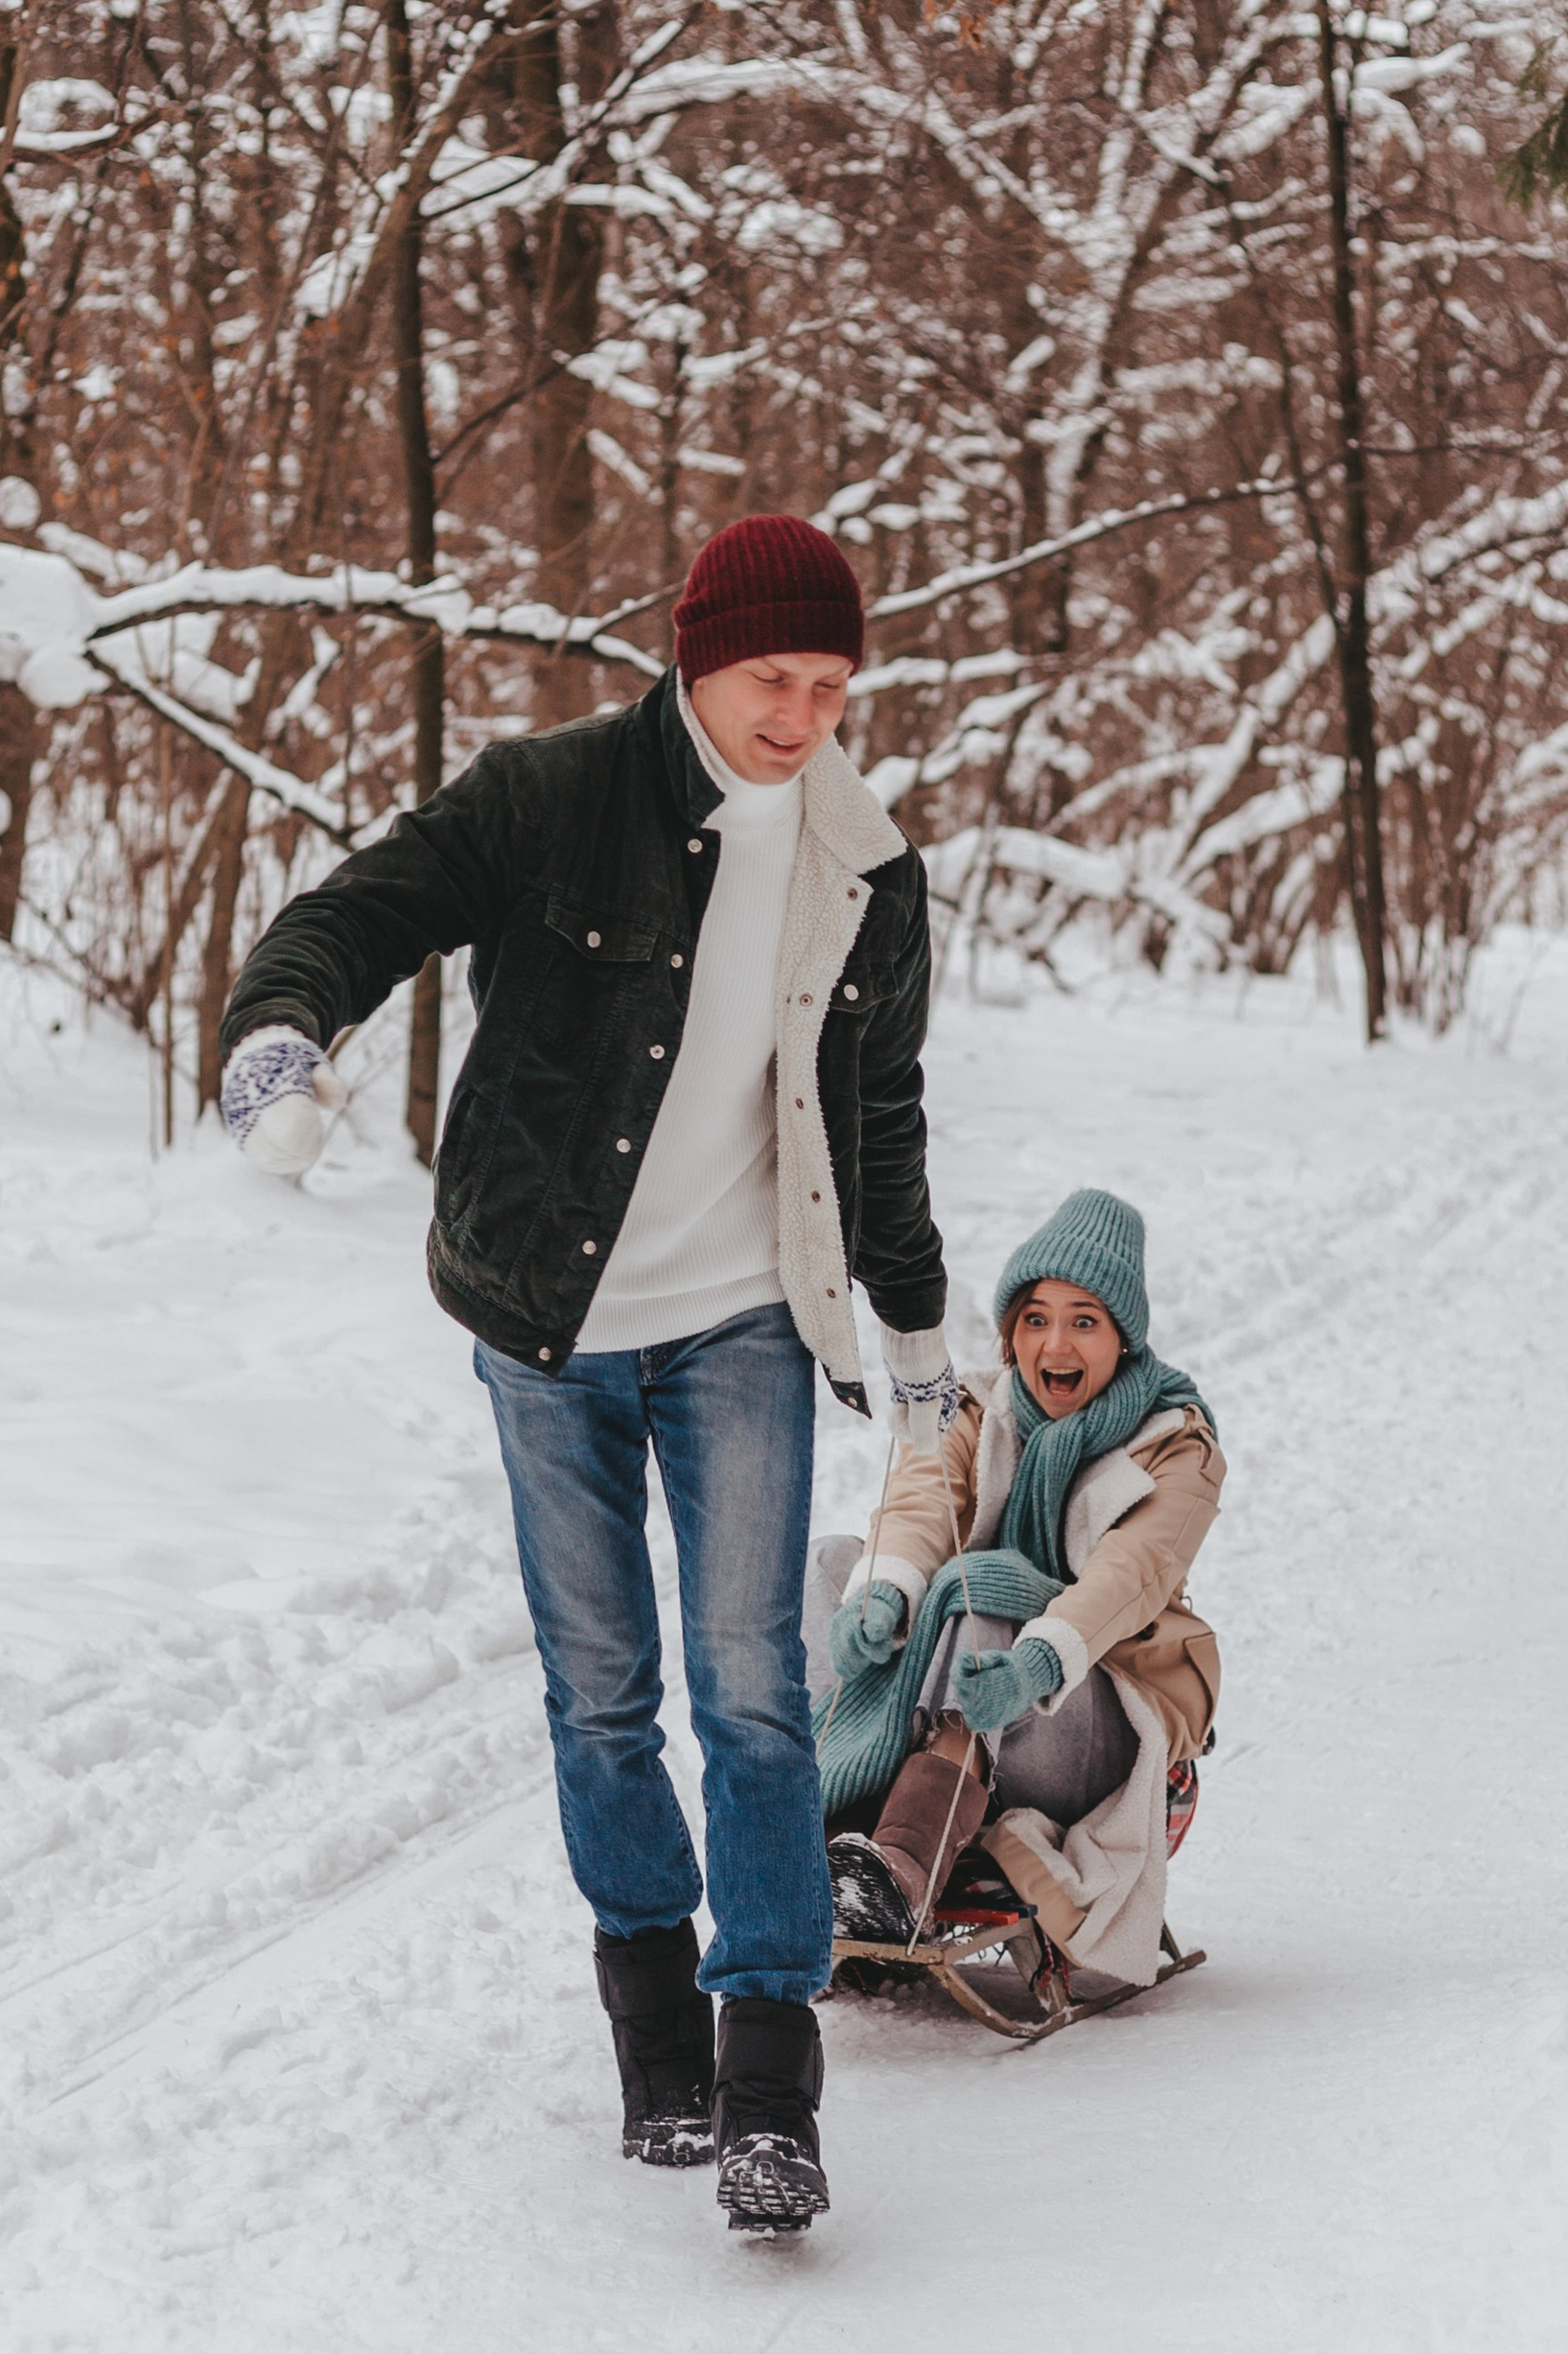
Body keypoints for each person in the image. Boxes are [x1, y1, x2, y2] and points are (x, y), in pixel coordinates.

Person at [216, 514, 958, 2238]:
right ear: (696, 657)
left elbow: (883, 1124)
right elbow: (361, 911)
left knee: (754, 1693)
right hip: (545, 1320)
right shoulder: (549, 798)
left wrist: (916, 1334)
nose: (805, 717)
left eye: (835, 686)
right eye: (776, 680)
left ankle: (772, 2077)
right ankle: (656, 2046)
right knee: (602, 1692)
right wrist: (277, 1036)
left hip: (744, 1325)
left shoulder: (867, 864)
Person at [813, 1188, 1223, 1995]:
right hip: (962, 1677)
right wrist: (884, 1592)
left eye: (1083, 1319)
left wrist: (1039, 1658)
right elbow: (922, 1502)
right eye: (1035, 1318)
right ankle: (814, 1826)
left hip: (1095, 1718)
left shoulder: (1177, 1445)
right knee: (831, 1562)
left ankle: (902, 1870)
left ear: (1121, 1337)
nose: (1055, 1342)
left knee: (986, 1589)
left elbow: (1128, 1575)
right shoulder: (977, 1407)